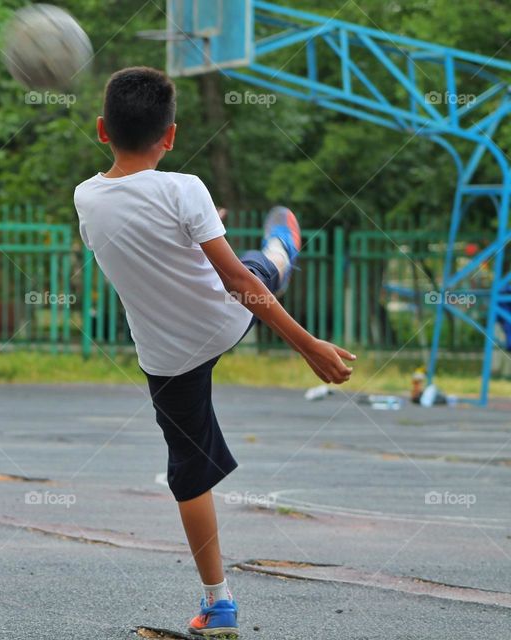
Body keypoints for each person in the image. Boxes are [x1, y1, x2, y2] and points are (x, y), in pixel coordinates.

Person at [73, 67, 356, 638]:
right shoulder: (186, 188)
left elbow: (138, 234)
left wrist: (198, 228)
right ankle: (281, 249)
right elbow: (234, 285)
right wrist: (308, 345)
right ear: (171, 136)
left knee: (188, 473)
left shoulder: (86, 198)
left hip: (168, 353)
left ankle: (218, 603)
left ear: (102, 129)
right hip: (229, 319)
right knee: (256, 270)